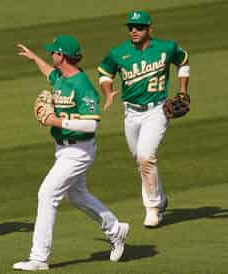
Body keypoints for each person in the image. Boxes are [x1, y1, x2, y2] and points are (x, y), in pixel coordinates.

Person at [13, 35, 129, 271]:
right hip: (62, 149)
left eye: (52, 52)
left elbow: (91, 124)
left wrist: (54, 119)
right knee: (77, 195)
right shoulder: (60, 77)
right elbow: (49, 72)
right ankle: (116, 229)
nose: (50, 55)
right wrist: (34, 58)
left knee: (47, 194)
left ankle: (39, 258)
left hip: (79, 151)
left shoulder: (81, 85)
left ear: (62, 55)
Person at [98, 11, 190, 228]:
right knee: (140, 161)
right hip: (130, 113)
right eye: (131, 27)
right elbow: (105, 72)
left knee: (146, 157)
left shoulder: (166, 48)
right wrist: (108, 92)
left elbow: (183, 61)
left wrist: (183, 91)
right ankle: (160, 198)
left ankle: (153, 209)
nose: (133, 31)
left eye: (138, 27)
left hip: (156, 110)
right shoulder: (118, 53)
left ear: (150, 29)